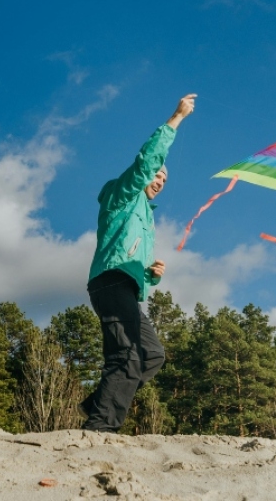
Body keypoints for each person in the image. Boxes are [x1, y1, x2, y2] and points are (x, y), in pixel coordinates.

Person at [80, 93, 196, 432]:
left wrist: (150, 275)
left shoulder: (146, 216)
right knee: (126, 357)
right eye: (157, 175)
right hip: (110, 282)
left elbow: (130, 254)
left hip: (127, 287)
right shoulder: (122, 195)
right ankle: (101, 425)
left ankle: (96, 403)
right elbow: (146, 160)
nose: (159, 181)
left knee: (152, 355)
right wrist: (176, 118)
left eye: (164, 181)